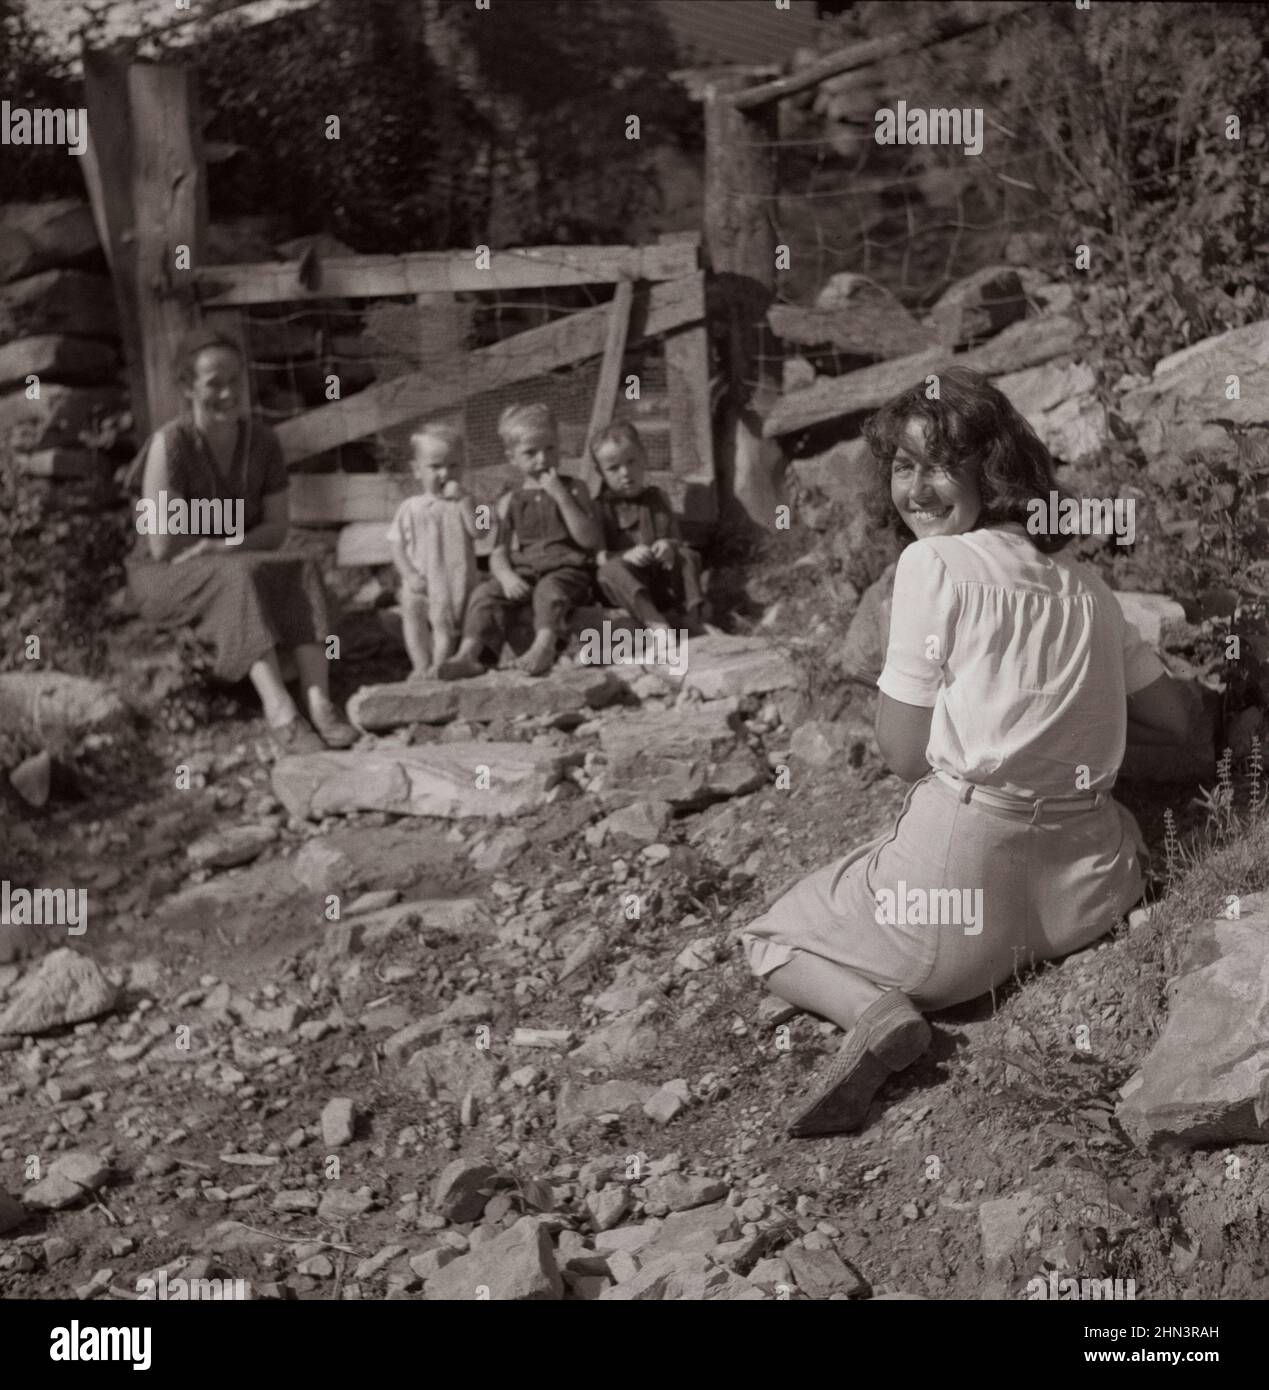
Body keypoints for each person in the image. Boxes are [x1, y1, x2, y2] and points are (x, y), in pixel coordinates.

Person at [739, 366, 1196, 1138]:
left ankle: (878, 1015)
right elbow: (1179, 724)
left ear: (991, 470)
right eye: (903, 466)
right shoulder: (1086, 586)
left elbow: (902, 757)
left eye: (939, 465)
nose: (916, 489)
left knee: (770, 935)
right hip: (1093, 888)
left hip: (953, 917)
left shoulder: (930, 565)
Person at [126, 329, 358, 755]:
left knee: (301, 565)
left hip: (228, 557)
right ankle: (280, 711)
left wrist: (227, 544)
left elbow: (276, 529)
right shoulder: (171, 445)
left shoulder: (262, 442)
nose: (229, 392)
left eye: (236, 379)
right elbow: (163, 545)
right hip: (165, 575)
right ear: (187, 387)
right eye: (214, 382)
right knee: (237, 578)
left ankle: (319, 702)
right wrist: (228, 548)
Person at [438, 402, 602, 679]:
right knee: (483, 594)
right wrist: (505, 577)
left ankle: (544, 646)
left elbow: (588, 539)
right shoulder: (509, 499)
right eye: (531, 452)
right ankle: (468, 653)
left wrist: (561, 496)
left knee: (548, 591)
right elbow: (498, 550)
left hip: (567, 570)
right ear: (512, 457)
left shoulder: (575, 488)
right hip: (526, 571)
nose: (543, 459)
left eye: (550, 448)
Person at [590, 420, 705, 632]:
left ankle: (692, 619)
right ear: (601, 472)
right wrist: (625, 556)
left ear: (644, 458)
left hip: (659, 577)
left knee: (687, 555)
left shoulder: (658, 497)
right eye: (613, 468)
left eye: (631, 462)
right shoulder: (600, 508)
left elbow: (676, 539)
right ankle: (654, 621)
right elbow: (599, 557)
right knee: (608, 571)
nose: (625, 472)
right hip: (628, 586)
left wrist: (668, 545)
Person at [387, 422, 480, 678]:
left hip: (452, 580)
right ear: (417, 470)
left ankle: (439, 666)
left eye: (453, 466)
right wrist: (409, 575)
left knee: (443, 625)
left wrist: (466, 501)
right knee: (413, 618)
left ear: (463, 466)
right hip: (419, 579)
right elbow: (396, 545)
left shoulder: (467, 501)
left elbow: (480, 530)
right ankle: (419, 663)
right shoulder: (410, 506)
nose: (445, 474)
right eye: (435, 466)